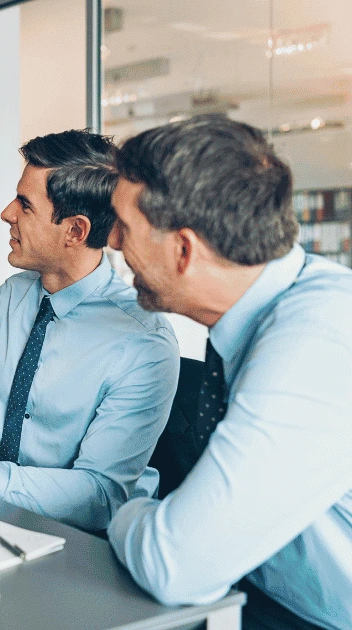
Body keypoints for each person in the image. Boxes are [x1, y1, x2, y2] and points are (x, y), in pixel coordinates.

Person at [106, 116, 352, 629]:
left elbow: (175, 566)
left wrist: (127, 511)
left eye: (123, 227)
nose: (111, 242)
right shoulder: (262, 314)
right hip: (267, 597)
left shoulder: (318, 342)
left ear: (183, 250)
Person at [0, 130, 179, 532]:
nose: (7, 213)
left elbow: (101, 497)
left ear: (75, 231)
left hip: (93, 546)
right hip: (11, 520)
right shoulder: (9, 299)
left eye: (25, 205)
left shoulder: (142, 342)